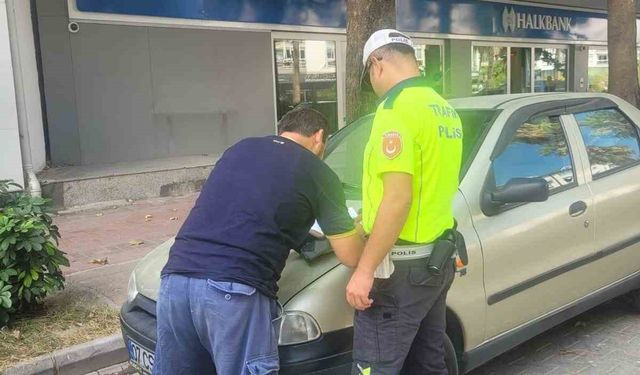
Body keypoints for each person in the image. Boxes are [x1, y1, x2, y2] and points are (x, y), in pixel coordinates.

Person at [154, 107, 365, 375]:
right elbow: (350, 255)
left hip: (175, 283)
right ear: (320, 137)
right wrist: (356, 231)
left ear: (283, 130)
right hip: (234, 291)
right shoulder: (316, 171)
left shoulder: (240, 150)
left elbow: (249, 209)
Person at [346, 29, 463, 374]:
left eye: (369, 73)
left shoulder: (395, 111)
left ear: (377, 64)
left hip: (400, 269)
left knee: (373, 368)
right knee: (428, 362)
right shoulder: (444, 110)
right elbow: (428, 184)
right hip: (436, 261)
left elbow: (398, 197)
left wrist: (365, 270)